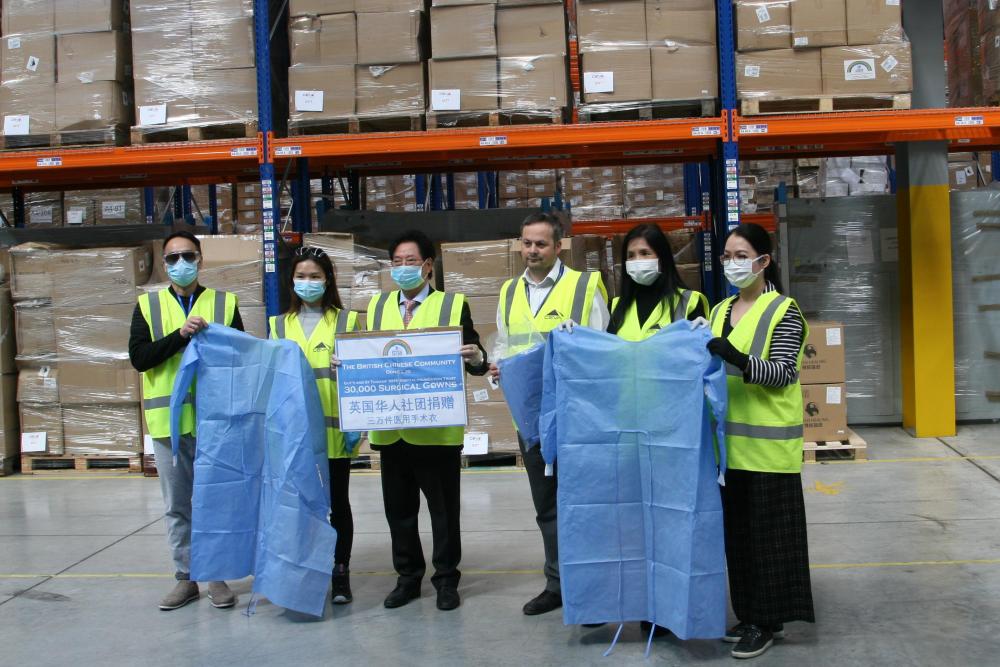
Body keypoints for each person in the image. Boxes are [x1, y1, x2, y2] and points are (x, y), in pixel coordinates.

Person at [362, 229, 489, 612]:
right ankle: (408, 578)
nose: (403, 268)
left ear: (428, 266)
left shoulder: (452, 305)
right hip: (392, 429)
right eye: (397, 262)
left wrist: (476, 357)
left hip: (436, 430)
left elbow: (476, 357)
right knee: (399, 512)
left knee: (443, 512)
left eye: (411, 261)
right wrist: (347, 363)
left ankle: (446, 580)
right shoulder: (376, 306)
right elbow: (369, 355)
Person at [489, 212, 609, 617]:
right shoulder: (509, 291)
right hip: (531, 419)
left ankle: (592, 585)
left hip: (575, 416)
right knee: (547, 507)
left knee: (584, 503)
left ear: (559, 246)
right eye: (526, 243)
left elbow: (601, 352)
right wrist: (498, 368)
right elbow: (505, 345)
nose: (532, 250)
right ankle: (557, 584)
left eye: (541, 243)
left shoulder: (584, 287)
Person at [706, 223, 815, 660]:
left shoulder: (784, 310)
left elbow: (783, 372)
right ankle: (749, 614)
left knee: (769, 541)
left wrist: (736, 358)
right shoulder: (719, 310)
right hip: (728, 451)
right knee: (739, 540)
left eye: (741, 255)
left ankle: (766, 622)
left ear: (763, 261)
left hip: (769, 449)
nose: (732, 263)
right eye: (727, 256)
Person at [128, 231, 243, 611]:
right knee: (178, 505)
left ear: (200, 259)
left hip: (216, 423)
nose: (181, 263)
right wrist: (179, 336)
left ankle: (216, 577)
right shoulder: (148, 306)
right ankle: (186, 577)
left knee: (215, 501)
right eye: (173, 258)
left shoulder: (224, 303)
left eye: (188, 256)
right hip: (169, 425)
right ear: (164, 264)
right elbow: (140, 358)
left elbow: (242, 357)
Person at [269, 246, 359, 605]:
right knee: (300, 505)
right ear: (292, 280)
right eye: (301, 276)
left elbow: (367, 372)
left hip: (335, 433)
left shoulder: (347, 322)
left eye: (315, 276)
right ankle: (305, 570)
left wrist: (351, 365)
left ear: (328, 280)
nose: (308, 282)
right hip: (295, 435)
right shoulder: (278, 325)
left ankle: (340, 571)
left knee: (338, 504)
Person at [607, 223, 709, 340]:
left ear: (662, 258)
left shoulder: (689, 302)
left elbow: (697, 348)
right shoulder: (616, 306)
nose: (637, 260)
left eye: (645, 253)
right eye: (630, 255)